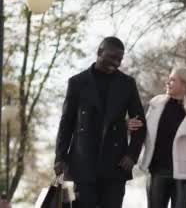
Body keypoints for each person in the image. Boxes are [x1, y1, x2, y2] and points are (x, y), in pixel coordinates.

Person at [54, 36, 146, 208]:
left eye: (120, 59)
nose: (117, 63)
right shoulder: (77, 83)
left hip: (116, 164)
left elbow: (140, 124)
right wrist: (60, 157)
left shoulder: (127, 84)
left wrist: (132, 155)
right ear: (99, 52)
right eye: (112, 57)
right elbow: (66, 123)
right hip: (83, 162)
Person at [128, 66, 186, 208]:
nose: (167, 83)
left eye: (172, 80)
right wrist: (130, 125)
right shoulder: (156, 104)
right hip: (157, 172)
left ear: (185, 84)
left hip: (184, 176)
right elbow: (144, 133)